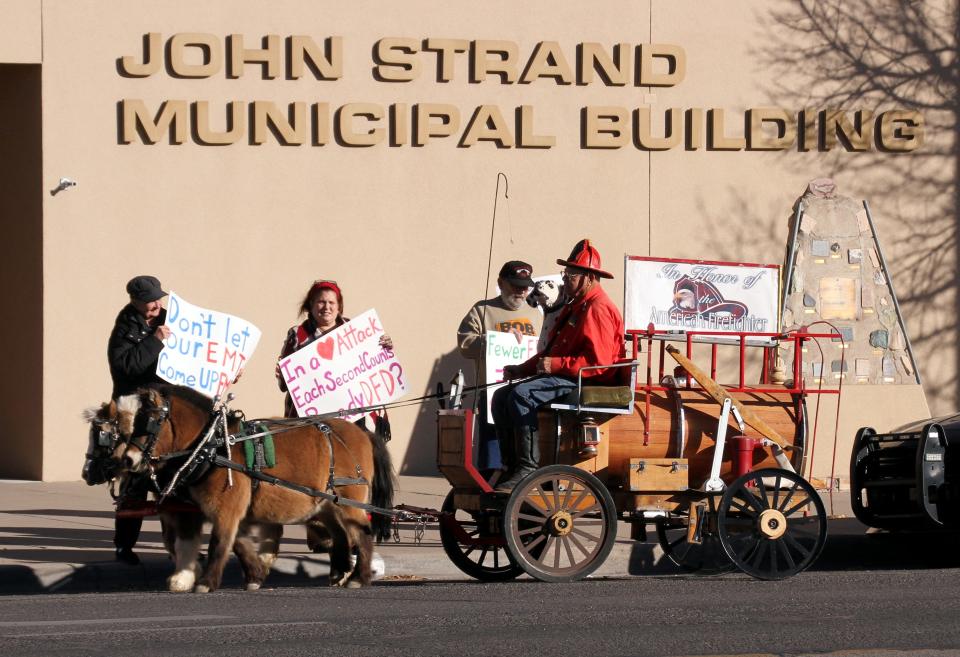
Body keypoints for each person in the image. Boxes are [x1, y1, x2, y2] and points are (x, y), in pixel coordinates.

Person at [491, 240, 625, 492]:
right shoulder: (576, 305)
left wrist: (555, 365)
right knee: (500, 396)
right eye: (566, 274)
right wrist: (521, 369)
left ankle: (527, 468)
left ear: (589, 277)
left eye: (571, 275)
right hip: (571, 375)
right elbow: (551, 351)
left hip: (587, 380)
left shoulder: (598, 308)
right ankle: (510, 466)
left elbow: (600, 364)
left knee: (522, 394)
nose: (566, 280)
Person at [106, 275, 172, 564]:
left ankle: (179, 544)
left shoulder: (173, 319)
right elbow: (126, 367)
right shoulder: (123, 330)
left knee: (175, 479)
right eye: (150, 300)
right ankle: (124, 545)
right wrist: (155, 342)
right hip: (136, 412)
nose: (157, 304)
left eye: (159, 298)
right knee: (134, 479)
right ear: (135, 302)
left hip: (168, 409)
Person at [456, 261, 542, 475]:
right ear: (500, 283)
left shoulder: (536, 315)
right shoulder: (482, 310)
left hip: (528, 396)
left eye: (525, 287)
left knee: (524, 447)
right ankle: (490, 492)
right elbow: (465, 345)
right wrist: (493, 340)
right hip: (492, 392)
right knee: (493, 452)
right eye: (515, 285)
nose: (521, 292)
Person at [276, 279, 392, 419]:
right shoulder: (297, 335)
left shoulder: (357, 331)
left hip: (355, 415)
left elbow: (374, 366)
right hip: (312, 419)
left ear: (339, 307)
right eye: (321, 302)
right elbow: (284, 385)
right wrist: (284, 374)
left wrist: (384, 347)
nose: (326, 307)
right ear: (311, 305)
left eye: (331, 302)